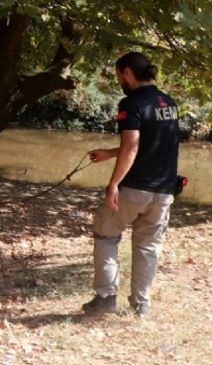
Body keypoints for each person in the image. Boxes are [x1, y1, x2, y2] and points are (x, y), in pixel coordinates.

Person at [82, 52, 179, 318]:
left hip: (135, 188)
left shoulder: (131, 103)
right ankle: (141, 305)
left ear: (127, 72)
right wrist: (109, 153)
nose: (119, 81)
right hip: (164, 191)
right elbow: (146, 145)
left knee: (106, 234)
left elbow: (132, 145)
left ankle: (105, 298)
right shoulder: (168, 103)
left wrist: (113, 183)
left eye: (118, 76)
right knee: (148, 246)